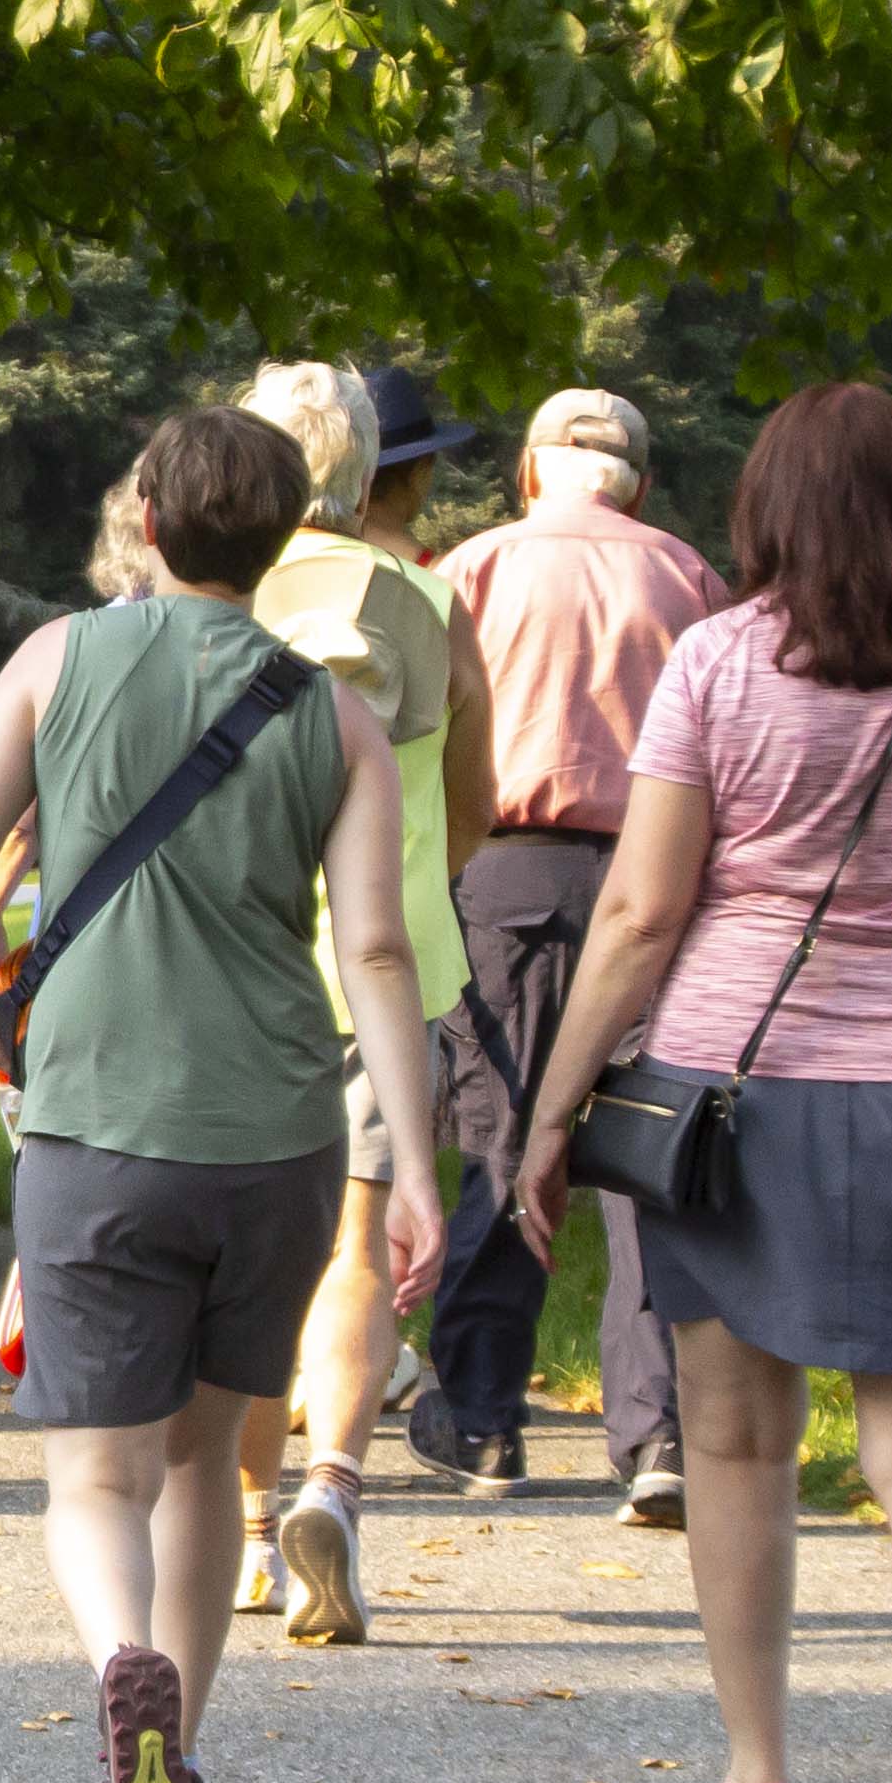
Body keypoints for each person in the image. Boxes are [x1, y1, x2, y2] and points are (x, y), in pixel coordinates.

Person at [509, 382, 892, 1783]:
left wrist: (553, 1109)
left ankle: (757, 1777)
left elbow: (637, 911)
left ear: (766, 513)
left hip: (738, 1088)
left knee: (739, 1435)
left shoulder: (717, 664)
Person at [0, 408, 442, 1783]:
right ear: (281, 541)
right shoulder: (327, 712)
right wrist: (417, 1158)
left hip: (94, 1119)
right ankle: (180, 1744)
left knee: (95, 1472)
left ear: (144, 516)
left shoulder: (55, 661)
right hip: (271, 1131)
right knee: (209, 1456)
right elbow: (380, 949)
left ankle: (120, 1663)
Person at [431, 385, 731, 1520]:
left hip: (502, 869)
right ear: (639, 483)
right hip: (656, 878)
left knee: (502, 1136)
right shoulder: (688, 576)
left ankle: (478, 1419)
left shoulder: (472, 568)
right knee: (644, 1150)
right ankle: (657, 1437)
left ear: (527, 471)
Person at [234, 364, 494, 1638]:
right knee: (355, 1239)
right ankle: (331, 1481)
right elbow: (475, 797)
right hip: (383, 965)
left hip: (230, 966)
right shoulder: (424, 598)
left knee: (240, 1244)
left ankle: (240, 1519)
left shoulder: (204, 597)